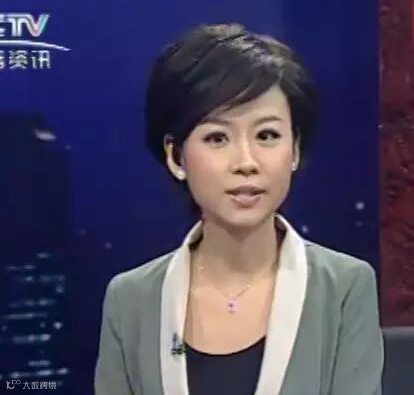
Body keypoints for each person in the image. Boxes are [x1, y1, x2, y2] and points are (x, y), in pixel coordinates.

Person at [94, 23, 384, 395]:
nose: (246, 162)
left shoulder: (344, 288)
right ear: (176, 156)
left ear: (295, 149)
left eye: (267, 135)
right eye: (217, 138)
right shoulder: (131, 300)